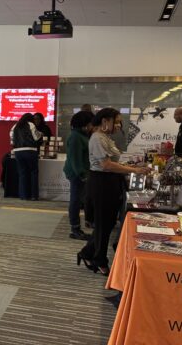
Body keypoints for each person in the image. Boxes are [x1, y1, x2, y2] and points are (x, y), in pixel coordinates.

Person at [78, 108, 150, 276]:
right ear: (105, 121)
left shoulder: (105, 137)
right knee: (104, 224)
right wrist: (134, 170)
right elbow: (106, 165)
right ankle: (99, 260)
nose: (118, 125)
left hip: (109, 182)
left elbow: (112, 162)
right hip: (102, 183)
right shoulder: (97, 138)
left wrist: (131, 167)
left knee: (107, 223)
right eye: (116, 122)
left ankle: (87, 252)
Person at [63, 111, 95, 240]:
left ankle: (79, 226)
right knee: (75, 201)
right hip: (77, 173)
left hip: (81, 172)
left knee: (80, 200)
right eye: (91, 123)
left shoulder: (82, 135)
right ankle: (75, 229)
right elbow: (75, 160)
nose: (92, 126)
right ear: (85, 123)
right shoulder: (76, 137)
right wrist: (83, 175)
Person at [12, 113, 42, 201]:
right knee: (33, 172)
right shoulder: (31, 124)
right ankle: (34, 196)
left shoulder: (15, 126)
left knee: (22, 173)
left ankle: (23, 196)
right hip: (30, 150)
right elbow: (36, 137)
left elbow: (11, 139)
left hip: (18, 151)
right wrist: (40, 134)